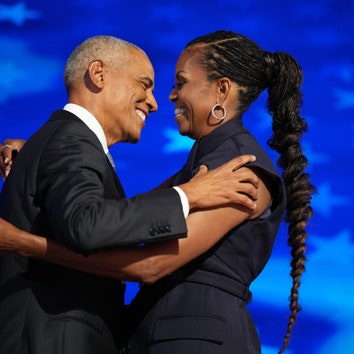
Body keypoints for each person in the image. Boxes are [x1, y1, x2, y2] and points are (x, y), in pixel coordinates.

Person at [0, 29, 315, 353]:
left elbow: (149, 265)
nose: (167, 97)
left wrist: (26, 243)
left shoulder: (239, 169)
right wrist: (40, 158)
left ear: (222, 90)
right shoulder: (201, 169)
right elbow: (124, 215)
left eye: (180, 82)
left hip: (198, 340)